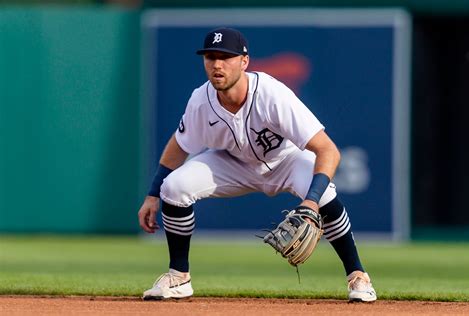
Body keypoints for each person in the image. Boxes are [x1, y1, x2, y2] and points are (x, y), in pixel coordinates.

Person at [138, 27, 376, 302]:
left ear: (244, 61)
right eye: (210, 57)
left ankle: (358, 276)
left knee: (323, 194)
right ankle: (179, 277)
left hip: (286, 160)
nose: (217, 64)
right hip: (233, 164)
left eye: (225, 57)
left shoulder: (272, 94)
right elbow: (179, 147)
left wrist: (310, 202)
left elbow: (328, 150)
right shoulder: (200, 100)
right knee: (174, 187)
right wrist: (153, 194)